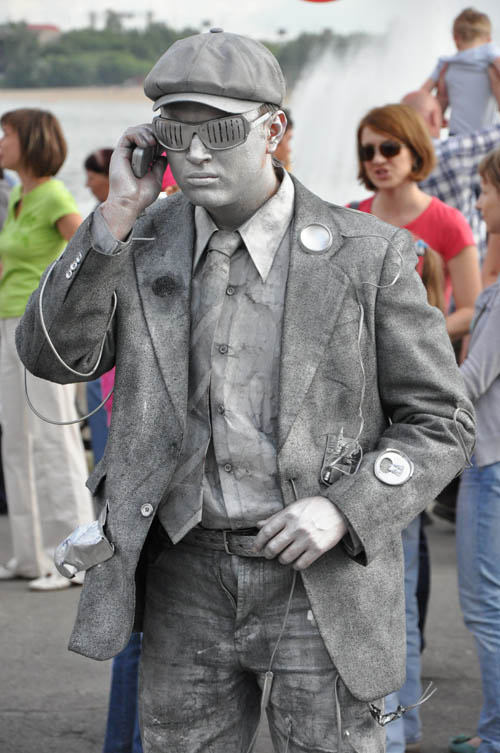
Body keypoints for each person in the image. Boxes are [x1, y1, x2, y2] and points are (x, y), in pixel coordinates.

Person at [16, 30, 474, 753]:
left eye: (222, 130)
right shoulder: (137, 240)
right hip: (182, 570)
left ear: (273, 130)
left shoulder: (368, 254)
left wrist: (347, 508)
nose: (197, 153)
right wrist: (114, 217)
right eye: (176, 131)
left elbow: (441, 419)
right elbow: (52, 354)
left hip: (317, 577)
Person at [352, 102, 481, 753]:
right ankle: (383, 720)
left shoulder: (446, 221)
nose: (378, 161)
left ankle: (396, 723)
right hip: (357, 409)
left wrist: (406, 330)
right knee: (370, 581)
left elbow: (472, 306)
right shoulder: (351, 218)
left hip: (416, 405)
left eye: (389, 149)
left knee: (401, 573)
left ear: (414, 152)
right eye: (368, 150)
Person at [0, 108, 94, 591]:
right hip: (7, 325)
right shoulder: (19, 194)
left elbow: (89, 251)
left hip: (40, 328)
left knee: (54, 440)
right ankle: (29, 555)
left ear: (30, 141)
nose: (0, 141)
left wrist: (68, 309)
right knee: (16, 441)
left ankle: (74, 558)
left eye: (6, 134)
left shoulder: (54, 196)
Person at [449, 146, 500, 753]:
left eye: (486, 190)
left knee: (486, 609)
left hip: (490, 466)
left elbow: (469, 384)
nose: (480, 202)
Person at [402, 88, 500, 266]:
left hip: (418, 273)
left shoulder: (388, 164)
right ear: (434, 118)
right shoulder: (449, 155)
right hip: (467, 271)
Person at [422, 7, 500, 136]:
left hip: (457, 137)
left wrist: (434, 117)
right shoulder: (491, 62)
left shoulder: (446, 65)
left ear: (456, 38)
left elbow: (422, 94)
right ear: (488, 40)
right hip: (488, 138)